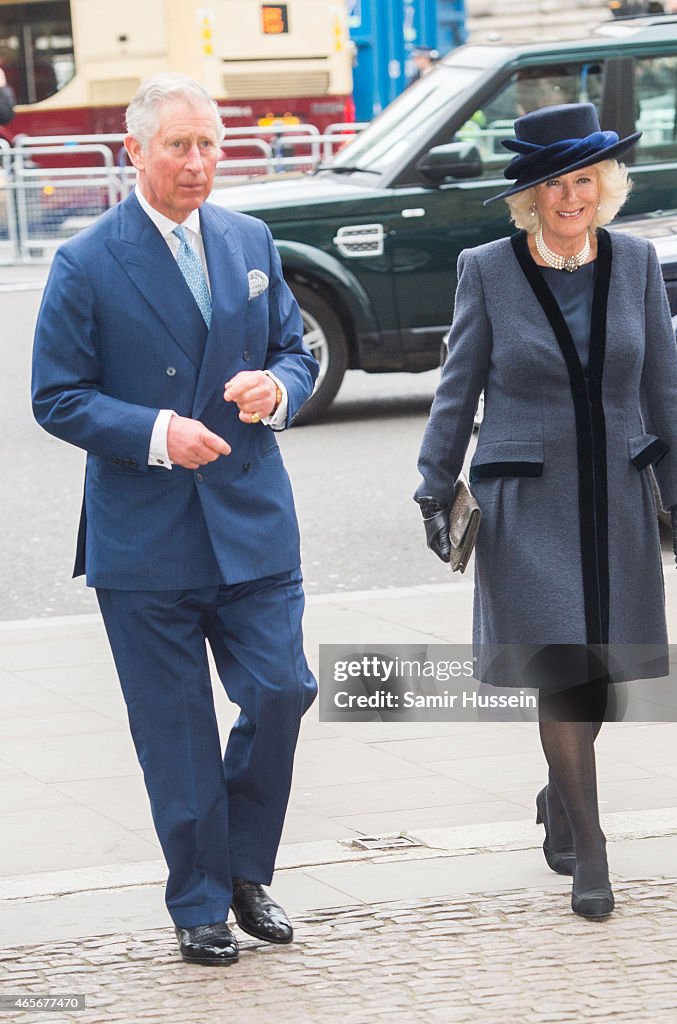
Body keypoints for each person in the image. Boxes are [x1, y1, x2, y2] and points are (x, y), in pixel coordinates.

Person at [31, 72, 319, 965]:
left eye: (209, 144)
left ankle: (241, 870)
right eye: (178, 146)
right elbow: (56, 397)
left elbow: (293, 349)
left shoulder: (250, 237)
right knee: (176, 732)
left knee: (281, 692)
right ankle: (199, 902)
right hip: (145, 540)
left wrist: (278, 388)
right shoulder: (85, 261)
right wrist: (155, 431)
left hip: (253, 521)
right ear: (136, 153)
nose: (199, 163)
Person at [415, 103, 677, 920]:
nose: (570, 197)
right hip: (525, 503)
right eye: (552, 184)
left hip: (614, 494)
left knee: (601, 677)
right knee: (562, 673)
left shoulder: (636, 262)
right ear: (528, 197)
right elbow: (456, 389)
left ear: (605, 186)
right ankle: (592, 846)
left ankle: (557, 797)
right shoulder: (487, 269)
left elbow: (663, 390)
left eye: (584, 180)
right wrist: (433, 486)